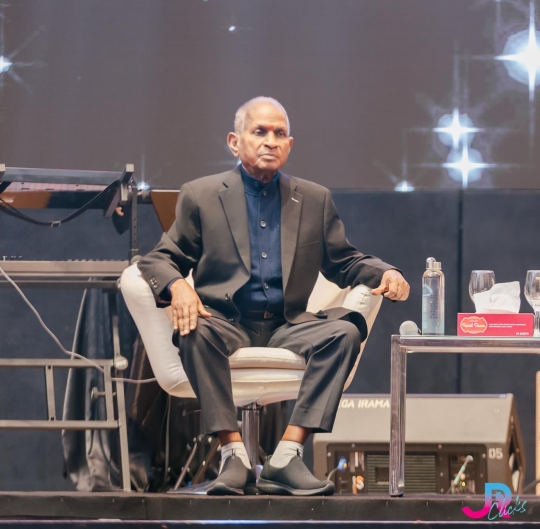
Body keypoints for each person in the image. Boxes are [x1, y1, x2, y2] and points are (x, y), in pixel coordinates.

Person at [137, 97, 410, 496]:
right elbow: (159, 260)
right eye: (259, 132)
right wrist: (178, 286)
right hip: (226, 323)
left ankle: (286, 455)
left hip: (287, 324)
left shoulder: (313, 198)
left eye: (279, 133)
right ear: (235, 141)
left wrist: (385, 271)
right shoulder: (202, 195)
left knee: (345, 333)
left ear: (290, 144)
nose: (270, 141)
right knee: (194, 331)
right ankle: (233, 456)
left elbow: (344, 261)